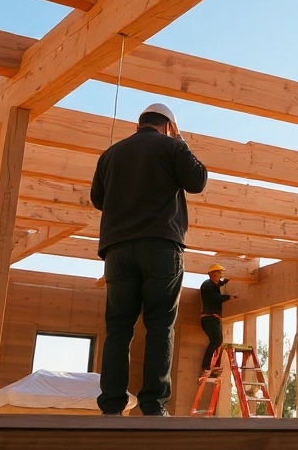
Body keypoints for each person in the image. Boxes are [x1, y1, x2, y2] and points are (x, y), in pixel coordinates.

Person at [91, 102, 208, 416]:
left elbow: (98, 200)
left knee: (118, 329)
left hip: (117, 251)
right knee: (160, 327)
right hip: (161, 246)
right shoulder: (172, 146)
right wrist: (179, 140)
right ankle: (153, 406)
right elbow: (197, 181)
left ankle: (112, 406)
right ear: (169, 126)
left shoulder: (110, 154)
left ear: (137, 125)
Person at [199, 264, 231, 373]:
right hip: (209, 319)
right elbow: (213, 298)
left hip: (213, 319)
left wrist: (224, 282)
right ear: (212, 273)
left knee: (218, 341)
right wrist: (229, 297)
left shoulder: (212, 285)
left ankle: (213, 366)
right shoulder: (207, 285)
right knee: (216, 340)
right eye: (219, 272)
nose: (221, 275)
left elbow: (217, 285)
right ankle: (206, 366)